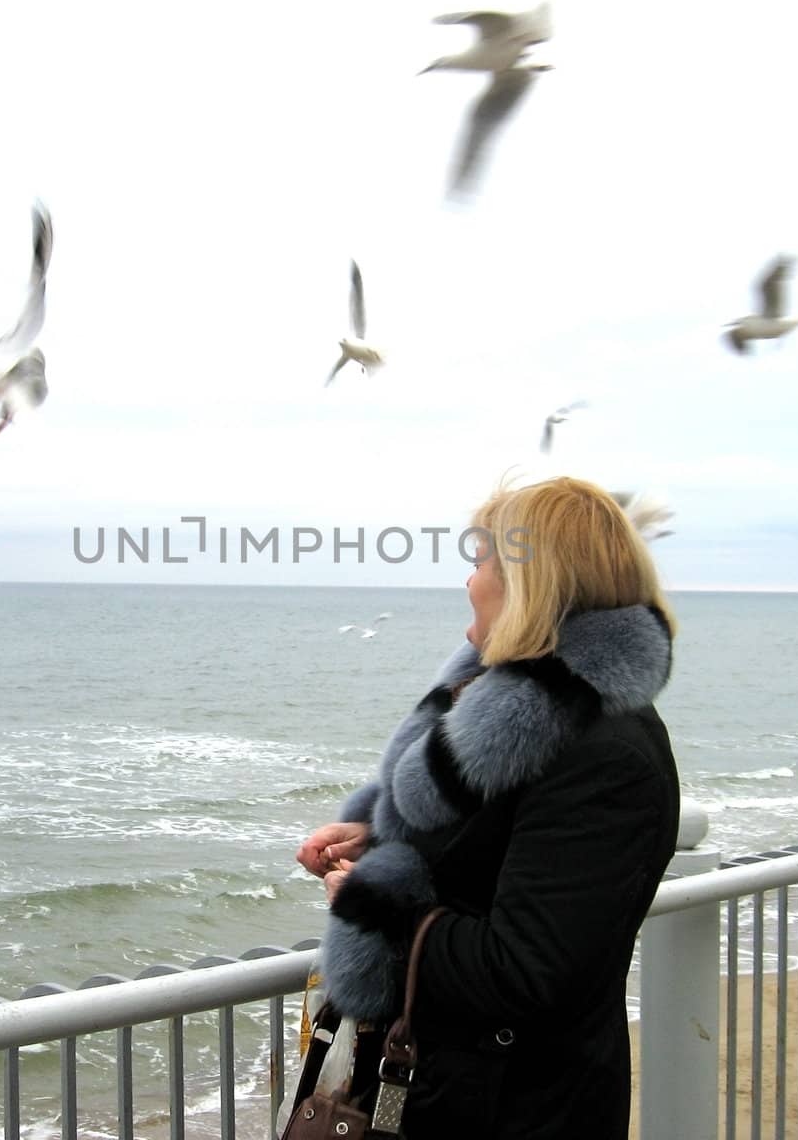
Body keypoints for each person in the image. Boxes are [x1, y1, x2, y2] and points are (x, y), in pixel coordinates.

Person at [296, 476, 680, 1138]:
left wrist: (376, 903)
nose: (469, 582)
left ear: (530, 584)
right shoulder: (521, 719)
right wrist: (380, 835)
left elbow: (527, 970)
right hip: (453, 1093)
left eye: (479, 562)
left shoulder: (608, 755)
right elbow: (492, 846)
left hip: (516, 1112)